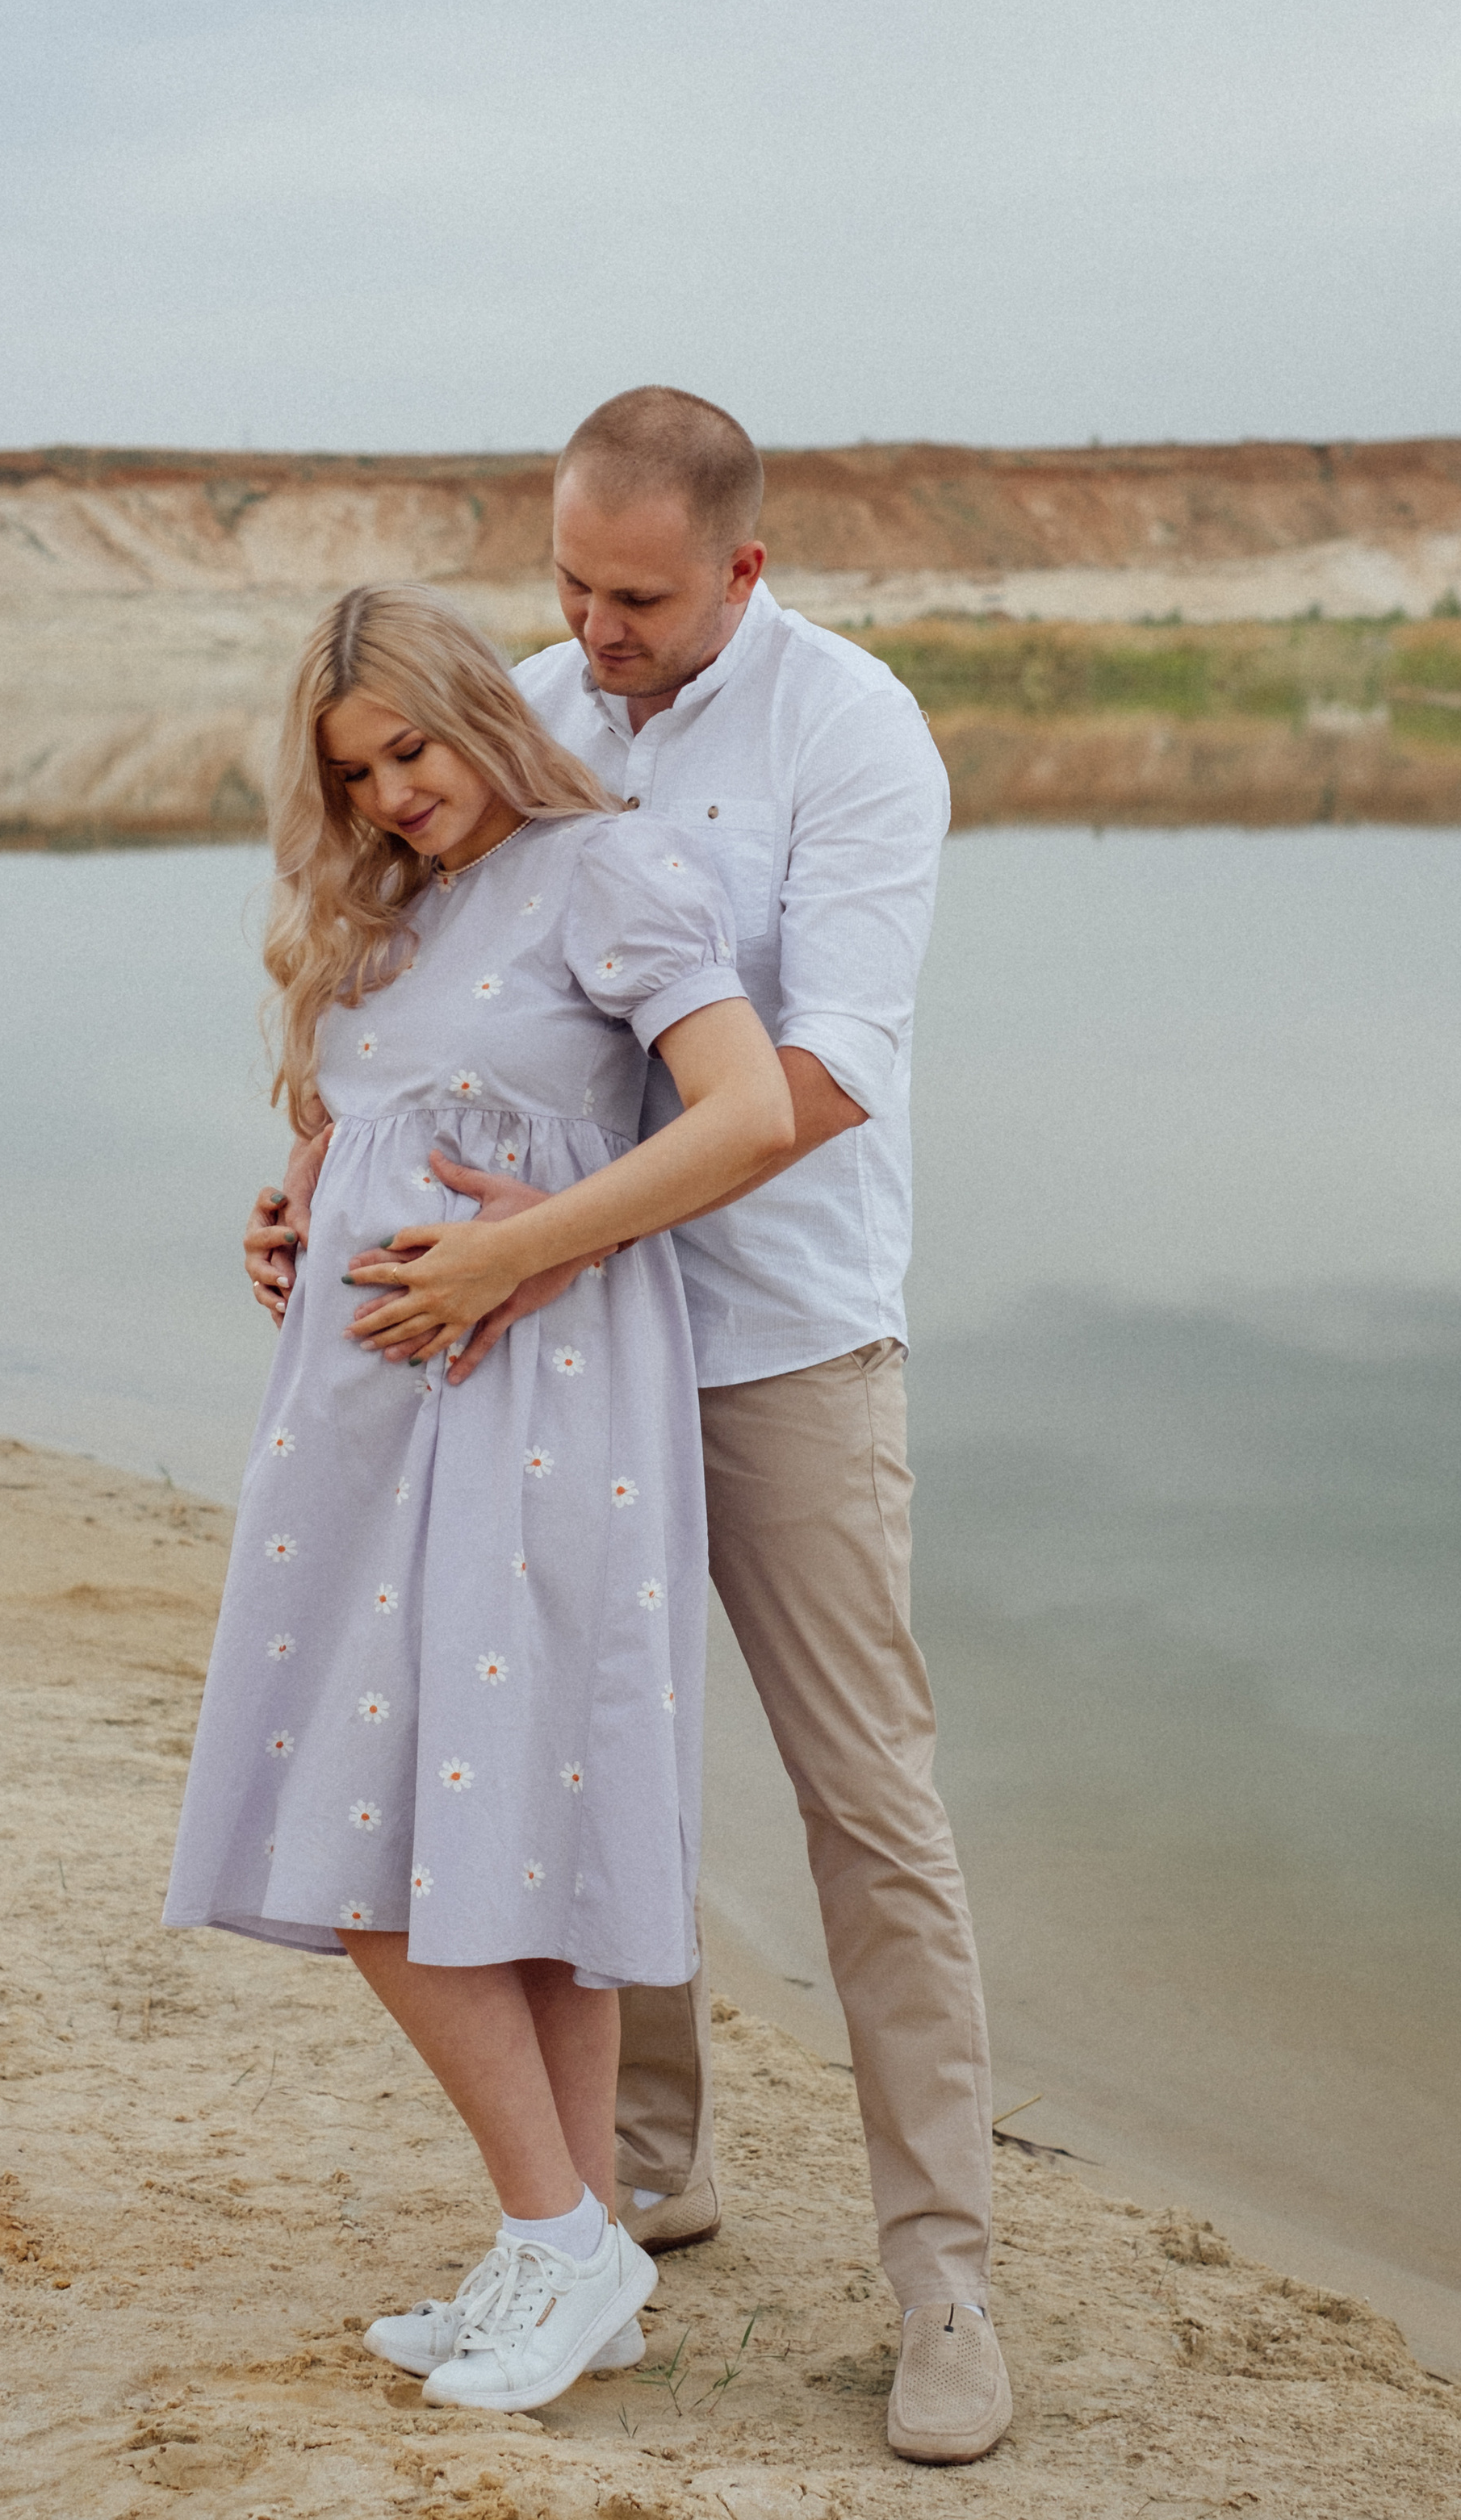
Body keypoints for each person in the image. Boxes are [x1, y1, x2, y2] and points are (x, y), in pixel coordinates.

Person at [246, 392, 1013, 2465]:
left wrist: (541, 1240)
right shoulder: (518, 707)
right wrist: (337, 1192)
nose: (590, 627)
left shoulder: (846, 733)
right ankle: (630, 2188)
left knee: (866, 1808)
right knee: (569, 1754)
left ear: (740, 572)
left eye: (637, 596)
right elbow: (443, 990)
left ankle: (941, 2278)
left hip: (774, 1336)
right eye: (568, 582)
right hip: (536, 1370)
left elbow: (818, 1070)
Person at [168, 583, 793, 2415]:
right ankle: (572, 2249)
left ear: (475, 712)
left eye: (413, 750)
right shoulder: (392, 908)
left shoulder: (607, 875)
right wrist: (296, 1201)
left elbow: (744, 1115)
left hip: (534, 1394)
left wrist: (515, 1243)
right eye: (354, 775)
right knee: (461, 1827)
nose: (389, 796)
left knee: (398, 1824)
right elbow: (367, 1117)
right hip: (364, 1420)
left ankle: (554, 2240)